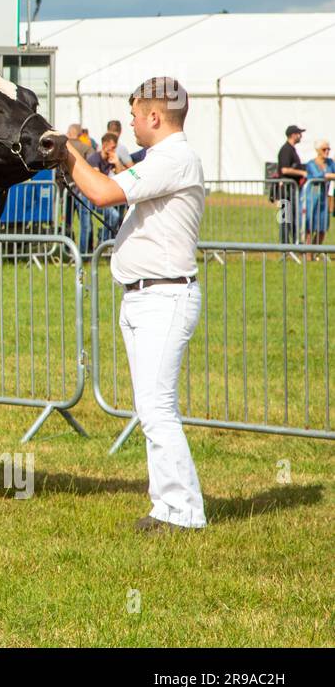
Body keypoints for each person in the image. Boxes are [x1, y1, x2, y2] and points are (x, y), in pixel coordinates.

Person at [64, 76, 207, 533]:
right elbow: (105, 186)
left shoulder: (174, 157)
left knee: (157, 406)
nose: (129, 122)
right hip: (146, 295)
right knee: (151, 407)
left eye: (134, 114)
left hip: (163, 295)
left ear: (154, 116)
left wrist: (66, 151)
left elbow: (103, 192)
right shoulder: (161, 159)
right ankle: (166, 506)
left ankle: (184, 512)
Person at [302, 139, 335, 254]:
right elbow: (317, 175)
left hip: (323, 199)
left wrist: (329, 175)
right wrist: (329, 175)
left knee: (322, 227)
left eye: (328, 149)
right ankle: (308, 252)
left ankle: (315, 251)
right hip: (311, 198)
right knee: (310, 226)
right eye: (324, 149)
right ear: (317, 150)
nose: (327, 151)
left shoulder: (330, 163)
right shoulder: (311, 163)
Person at [276, 125, 306, 244]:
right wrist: (302, 172)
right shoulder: (286, 150)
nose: (301, 136)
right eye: (299, 133)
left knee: (292, 217)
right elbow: (284, 170)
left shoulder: (291, 149)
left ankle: (294, 242)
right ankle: (285, 244)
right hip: (286, 190)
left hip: (292, 189)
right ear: (293, 135)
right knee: (285, 218)